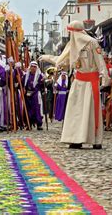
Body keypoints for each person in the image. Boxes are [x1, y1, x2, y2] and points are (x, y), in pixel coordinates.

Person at [39, 20, 108, 149]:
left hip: (90, 84)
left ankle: (94, 139)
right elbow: (62, 60)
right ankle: (76, 139)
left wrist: (105, 79)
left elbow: (100, 62)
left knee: (90, 111)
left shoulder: (92, 43)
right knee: (76, 112)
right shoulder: (73, 46)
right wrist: (47, 57)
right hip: (77, 83)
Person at [23, 61, 45, 130]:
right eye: (32, 66)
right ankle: (28, 124)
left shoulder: (39, 75)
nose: (33, 68)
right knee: (28, 109)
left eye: (35, 67)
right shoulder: (26, 75)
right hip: (28, 95)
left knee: (36, 109)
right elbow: (22, 83)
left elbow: (42, 86)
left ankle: (39, 124)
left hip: (35, 94)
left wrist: (43, 82)